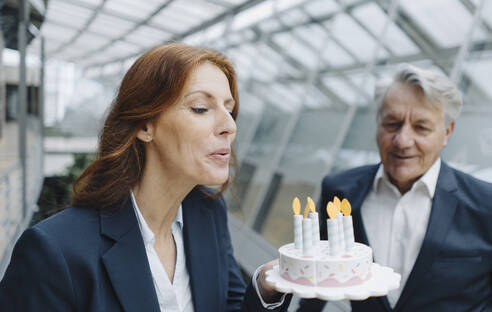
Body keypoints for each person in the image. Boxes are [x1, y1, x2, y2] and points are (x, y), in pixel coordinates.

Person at [0, 43, 291, 311]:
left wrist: (265, 286)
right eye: (201, 108)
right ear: (145, 125)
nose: (229, 126)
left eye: (229, 110)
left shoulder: (207, 213)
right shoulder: (55, 252)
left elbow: (229, 305)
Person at [298, 64, 492, 311]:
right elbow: (320, 282)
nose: (402, 141)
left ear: (447, 133)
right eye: (392, 123)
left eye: (421, 127)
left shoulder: (486, 205)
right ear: (378, 123)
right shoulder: (340, 192)